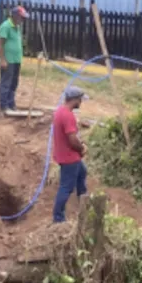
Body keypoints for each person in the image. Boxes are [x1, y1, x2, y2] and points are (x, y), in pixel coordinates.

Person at [52, 86, 89, 223]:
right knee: (66, 187)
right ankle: (58, 218)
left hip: (65, 155)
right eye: (80, 100)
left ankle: (84, 202)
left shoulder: (60, 111)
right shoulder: (68, 116)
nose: (81, 102)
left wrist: (80, 145)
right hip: (70, 158)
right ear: (75, 99)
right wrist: (81, 148)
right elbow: (72, 140)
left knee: (82, 173)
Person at [0, 6, 28, 112]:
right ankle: (4, 105)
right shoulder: (5, 26)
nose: (23, 20)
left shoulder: (17, 27)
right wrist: (3, 59)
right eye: (21, 17)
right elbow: (0, 44)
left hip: (16, 60)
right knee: (6, 83)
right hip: (8, 60)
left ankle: (11, 103)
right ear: (15, 16)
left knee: (14, 83)